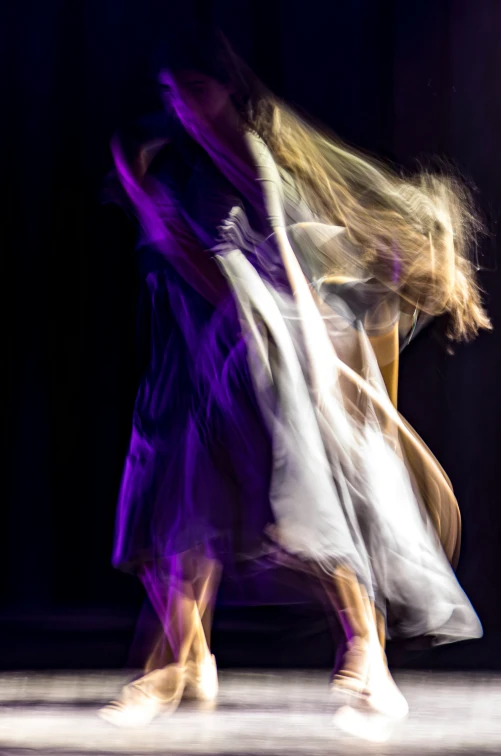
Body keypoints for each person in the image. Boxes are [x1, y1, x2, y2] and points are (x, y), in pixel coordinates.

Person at [99, 23, 489, 729]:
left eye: (195, 90)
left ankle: (365, 657)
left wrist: (321, 363)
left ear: (224, 87)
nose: (186, 105)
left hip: (263, 332)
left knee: (313, 484)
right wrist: (138, 183)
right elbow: (182, 260)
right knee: (181, 502)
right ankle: (181, 662)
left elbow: (282, 260)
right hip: (194, 338)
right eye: (173, 94)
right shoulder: (166, 157)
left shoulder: (251, 152)